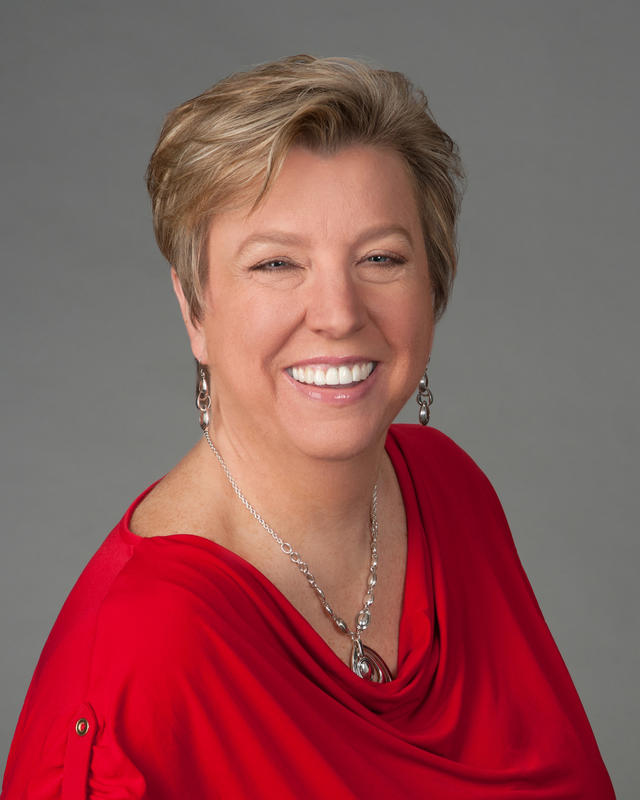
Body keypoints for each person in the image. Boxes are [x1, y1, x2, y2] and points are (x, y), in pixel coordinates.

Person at [1, 55, 615, 799]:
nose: (338, 313)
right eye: (276, 264)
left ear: (433, 284)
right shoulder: (136, 664)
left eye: (381, 257)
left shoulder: (451, 491)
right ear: (194, 307)